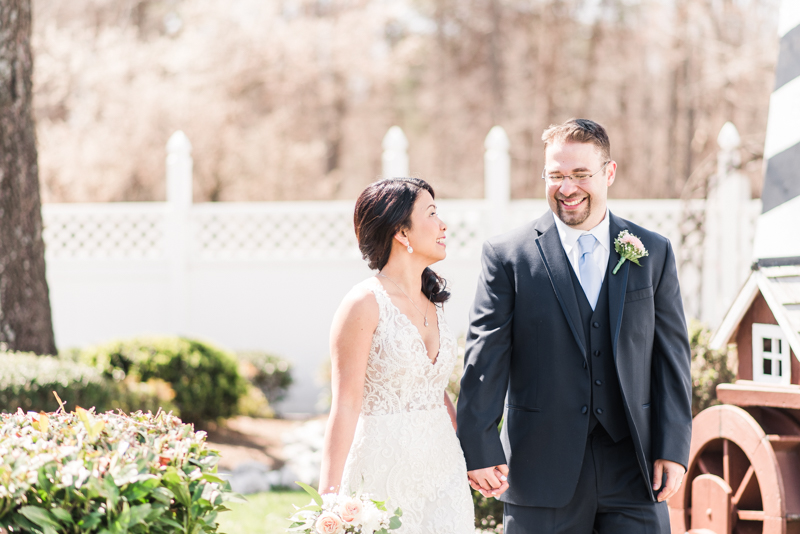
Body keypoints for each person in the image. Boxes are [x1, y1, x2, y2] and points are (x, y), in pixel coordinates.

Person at [456, 118, 693, 533]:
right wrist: (479, 446)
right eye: (557, 176)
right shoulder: (507, 256)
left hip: (633, 468)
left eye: (581, 175)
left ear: (609, 173)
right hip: (539, 468)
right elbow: (485, 357)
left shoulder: (652, 252)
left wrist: (673, 447)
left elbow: (670, 357)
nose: (567, 188)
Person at [318, 177, 475, 533]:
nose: (443, 224)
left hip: (443, 472)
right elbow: (344, 406)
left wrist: (473, 458)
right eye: (432, 213)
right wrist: (328, 502)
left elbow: (436, 393)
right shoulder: (363, 303)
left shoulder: (433, 303)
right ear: (402, 233)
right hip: (383, 473)